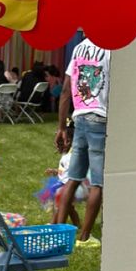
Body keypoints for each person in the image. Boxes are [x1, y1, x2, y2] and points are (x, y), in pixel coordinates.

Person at [53, 38, 110, 246]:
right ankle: (84, 237)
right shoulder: (112, 47)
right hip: (101, 119)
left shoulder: (80, 47)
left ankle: (59, 232)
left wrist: (61, 127)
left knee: (73, 178)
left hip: (80, 117)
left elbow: (67, 89)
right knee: (98, 183)